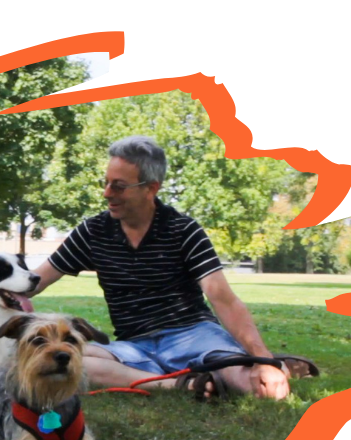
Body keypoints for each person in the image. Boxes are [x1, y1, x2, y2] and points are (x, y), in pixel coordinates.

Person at [27, 135, 318, 401]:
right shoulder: (93, 232)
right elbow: (36, 280)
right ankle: (180, 383)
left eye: (119, 185)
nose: (107, 193)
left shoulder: (183, 230)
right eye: (106, 182)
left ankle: (263, 364)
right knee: (75, 360)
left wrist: (262, 360)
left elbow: (222, 298)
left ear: (151, 188)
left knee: (260, 389)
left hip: (194, 335)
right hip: (133, 347)